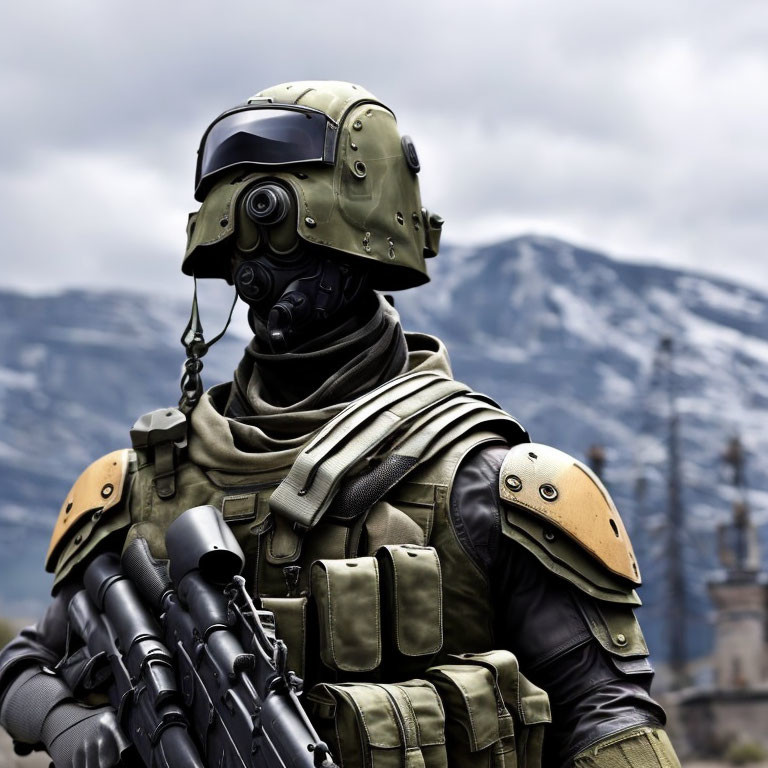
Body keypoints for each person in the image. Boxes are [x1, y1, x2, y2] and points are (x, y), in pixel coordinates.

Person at [0, 81, 681, 767]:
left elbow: (607, 713)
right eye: (243, 254)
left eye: (293, 252)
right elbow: (25, 664)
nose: (260, 275)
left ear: (367, 252)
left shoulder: (491, 486)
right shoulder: (142, 483)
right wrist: (64, 723)